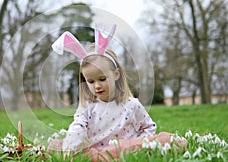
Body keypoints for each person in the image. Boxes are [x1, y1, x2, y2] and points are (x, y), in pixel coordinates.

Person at [48, 25, 186, 161]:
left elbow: (148, 126)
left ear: (115, 75)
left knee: (164, 141)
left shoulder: (131, 105)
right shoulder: (87, 107)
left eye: (102, 79)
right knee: (60, 146)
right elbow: (78, 126)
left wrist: (142, 144)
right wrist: (71, 145)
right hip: (96, 156)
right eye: (90, 81)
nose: (97, 86)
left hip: (125, 153)